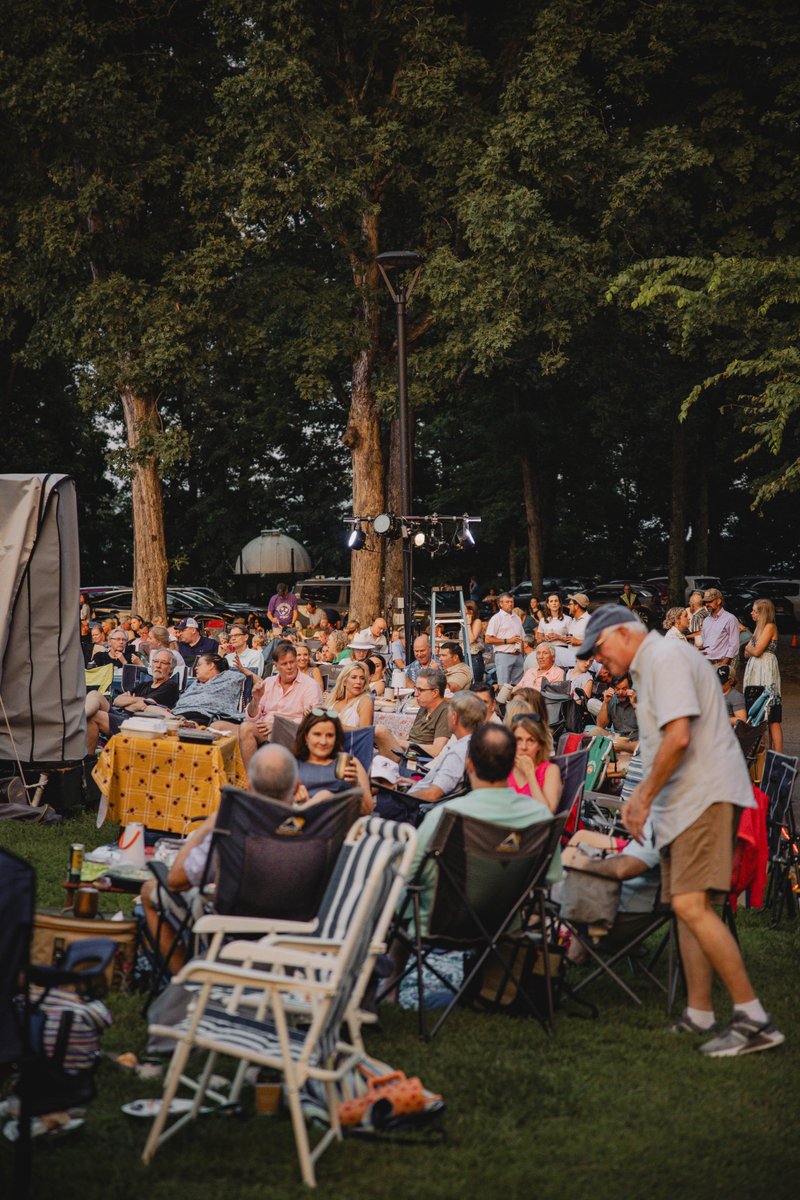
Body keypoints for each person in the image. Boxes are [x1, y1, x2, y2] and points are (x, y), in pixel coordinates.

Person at [577, 604, 784, 1057]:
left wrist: (642, 797)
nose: (598, 660)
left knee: (691, 904)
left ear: (622, 633)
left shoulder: (664, 658)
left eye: (600, 649)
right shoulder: (655, 662)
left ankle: (754, 1019)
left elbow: (679, 736)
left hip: (700, 796)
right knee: (687, 905)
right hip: (684, 801)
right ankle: (700, 1013)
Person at [138, 744, 307, 972]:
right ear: (296, 786)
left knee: (150, 890)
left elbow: (176, 881)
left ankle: (186, 979)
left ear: (249, 787)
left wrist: (208, 826)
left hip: (231, 930)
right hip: (294, 936)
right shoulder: (314, 832)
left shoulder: (230, 828)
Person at [400, 723, 562, 936]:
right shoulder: (540, 819)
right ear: (511, 765)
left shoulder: (446, 816)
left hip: (441, 925)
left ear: (469, 765)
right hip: (503, 926)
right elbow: (549, 877)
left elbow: (408, 875)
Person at [235, 641, 323, 765]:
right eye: (284, 664)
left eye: (292, 662)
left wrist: (278, 725)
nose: (289, 667)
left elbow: (314, 720)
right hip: (263, 727)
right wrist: (256, 700)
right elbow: (252, 718)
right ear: (276, 665)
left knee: (246, 729)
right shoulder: (268, 682)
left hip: (292, 732)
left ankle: (252, 776)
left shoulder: (310, 685)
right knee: (218, 726)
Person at [84, 649, 181, 753]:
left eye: (163, 663)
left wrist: (130, 701)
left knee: (95, 716)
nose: (158, 665)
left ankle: (88, 758)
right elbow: (117, 701)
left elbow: (144, 706)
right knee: (95, 694)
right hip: (122, 715)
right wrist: (137, 701)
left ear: (171, 669)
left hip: (136, 723)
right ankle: (78, 718)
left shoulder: (170, 685)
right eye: (156, 661)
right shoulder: (145, 685)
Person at [403, 691, 486, 804]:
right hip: (422, 790)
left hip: (412, 806)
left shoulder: (459, 752)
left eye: (448, 712)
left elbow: (433, 794)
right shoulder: (476, 742)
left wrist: (402, 795)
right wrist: (417, 785)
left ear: (454, 717)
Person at [292, 709, 373, 812]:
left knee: (325, 795)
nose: (323, 742)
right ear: (306, 737)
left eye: (330, 735)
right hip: (296, 815)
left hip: (335, 818)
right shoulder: (292, 762)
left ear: (336, 738)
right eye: (317, 734)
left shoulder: (348, 763)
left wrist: (356, 785)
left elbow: (367, 810)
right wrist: (292, 796)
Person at [374, 667, 450, 762]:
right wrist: (395, 741)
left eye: (420, 690)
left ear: (435, 692)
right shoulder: (424, 708)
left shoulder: (446, 712)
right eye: (415, 689)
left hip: (419, 761)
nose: (415, 694)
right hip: (408, 754)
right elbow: (413, 739)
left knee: (380, 731)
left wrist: (400, 742)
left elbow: (437, 751)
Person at [148, 653, 241, 725]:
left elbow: (244, 676)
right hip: (177, 714)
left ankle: (182, 723)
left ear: (211, 665)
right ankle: (176, 721)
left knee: (194, 721)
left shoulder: (229, 677)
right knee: (150, 708)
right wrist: (173, 710)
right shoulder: (195, 683)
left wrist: (243, 670)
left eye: (199, 664)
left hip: (204, 716)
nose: (196, 668)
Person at [743, 598, 783, 752]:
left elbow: (756, 651)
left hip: (765, 671)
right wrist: (750, 648)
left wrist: (750, 646)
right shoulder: (758, 629)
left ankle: (777, 754)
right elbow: (746, 653)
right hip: (755, 671)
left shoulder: (769, 627)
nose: (751, 613)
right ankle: (761, 753)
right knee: (756, 714)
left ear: (762, 613)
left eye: (754, 611)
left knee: (772, 715)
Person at [507, 713, 562, 812]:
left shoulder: (550, 770)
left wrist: (530, 775)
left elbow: (547, 813)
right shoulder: (504, 767)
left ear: (540, 745)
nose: (524, 747)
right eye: (518, 740)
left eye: (530, 740)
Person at [484, 593, 525, 687]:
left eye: (512, 602)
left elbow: (522, 638)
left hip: (518, 655)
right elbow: (488, 639)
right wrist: (508, 641)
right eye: (507, 602)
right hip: (503, 655)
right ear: (500, 604)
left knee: (518, 687)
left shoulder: (517, 618)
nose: (510, 604)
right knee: (503, 686)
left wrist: (522, 655)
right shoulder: (496, 618)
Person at [595, 672, 639, 746]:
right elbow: (600, 725)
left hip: (636, 739)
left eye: (624, 689)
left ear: (630, 688)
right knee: (595, 731)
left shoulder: (638, 698)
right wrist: (605, 703)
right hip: (618, 738)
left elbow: (647, 725)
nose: (621, 692)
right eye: (617, 689)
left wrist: (634, 704)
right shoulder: (611, 699)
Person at [699, 589, 739, 667]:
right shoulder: (706, 620)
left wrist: (723, 663)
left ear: (719, 601)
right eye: (705, 602)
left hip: (721, 663)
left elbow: (734, 644)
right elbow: (705, 642)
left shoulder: (730, 619)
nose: (707, 604)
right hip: (707, 663)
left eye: (710, 601)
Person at [328, 661, 374, 729]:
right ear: (344, 681)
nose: (358, 682)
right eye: (354, 677)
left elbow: (365, 732)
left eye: (362, 678)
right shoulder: (333, 700)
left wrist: (336, 727)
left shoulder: (365, 701)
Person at [464, 600, 485, 683]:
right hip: (465, 655)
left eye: (464, 609)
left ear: (471, 611)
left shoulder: (477, 622)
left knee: (475, 683)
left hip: (474, 657)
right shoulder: (464, 623)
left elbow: (471, 639)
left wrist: (468, 624)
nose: (461, 612)